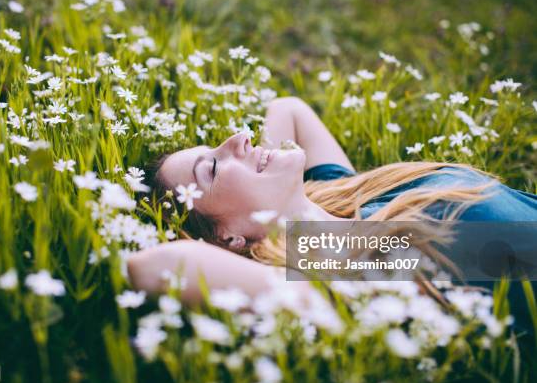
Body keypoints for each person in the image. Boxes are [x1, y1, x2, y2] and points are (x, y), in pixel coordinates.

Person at [126, 96, 537, 330]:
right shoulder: (357, 272)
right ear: (227, 236)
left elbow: (290, 109)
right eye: (212, 168)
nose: (238, 138)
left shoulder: (349, 199)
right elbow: (159, 264)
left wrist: (264, 170)